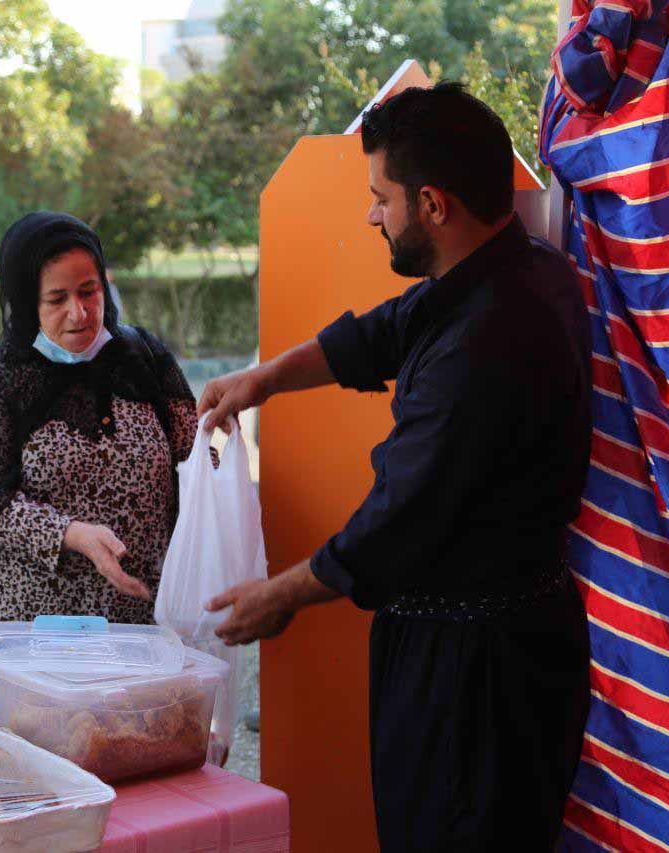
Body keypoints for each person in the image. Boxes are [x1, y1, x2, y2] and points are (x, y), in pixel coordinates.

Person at [199, 84, 591, 851]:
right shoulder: (508, 270)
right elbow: (379, 334)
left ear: (434, 205)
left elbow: (397, 519)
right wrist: (265, 378)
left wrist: (279, 595)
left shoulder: (487, 343)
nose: (370, 216)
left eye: (382, 198)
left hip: (479, 673)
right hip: (494, 642)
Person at [0, 211, 211, 622]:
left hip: (138, 618)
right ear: (27, 302)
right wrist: (72, 534)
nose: (79, 313)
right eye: (57, 299)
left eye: (89, 292)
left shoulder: (143, 358)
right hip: (32, 623)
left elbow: (193, 454)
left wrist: (218, 453)